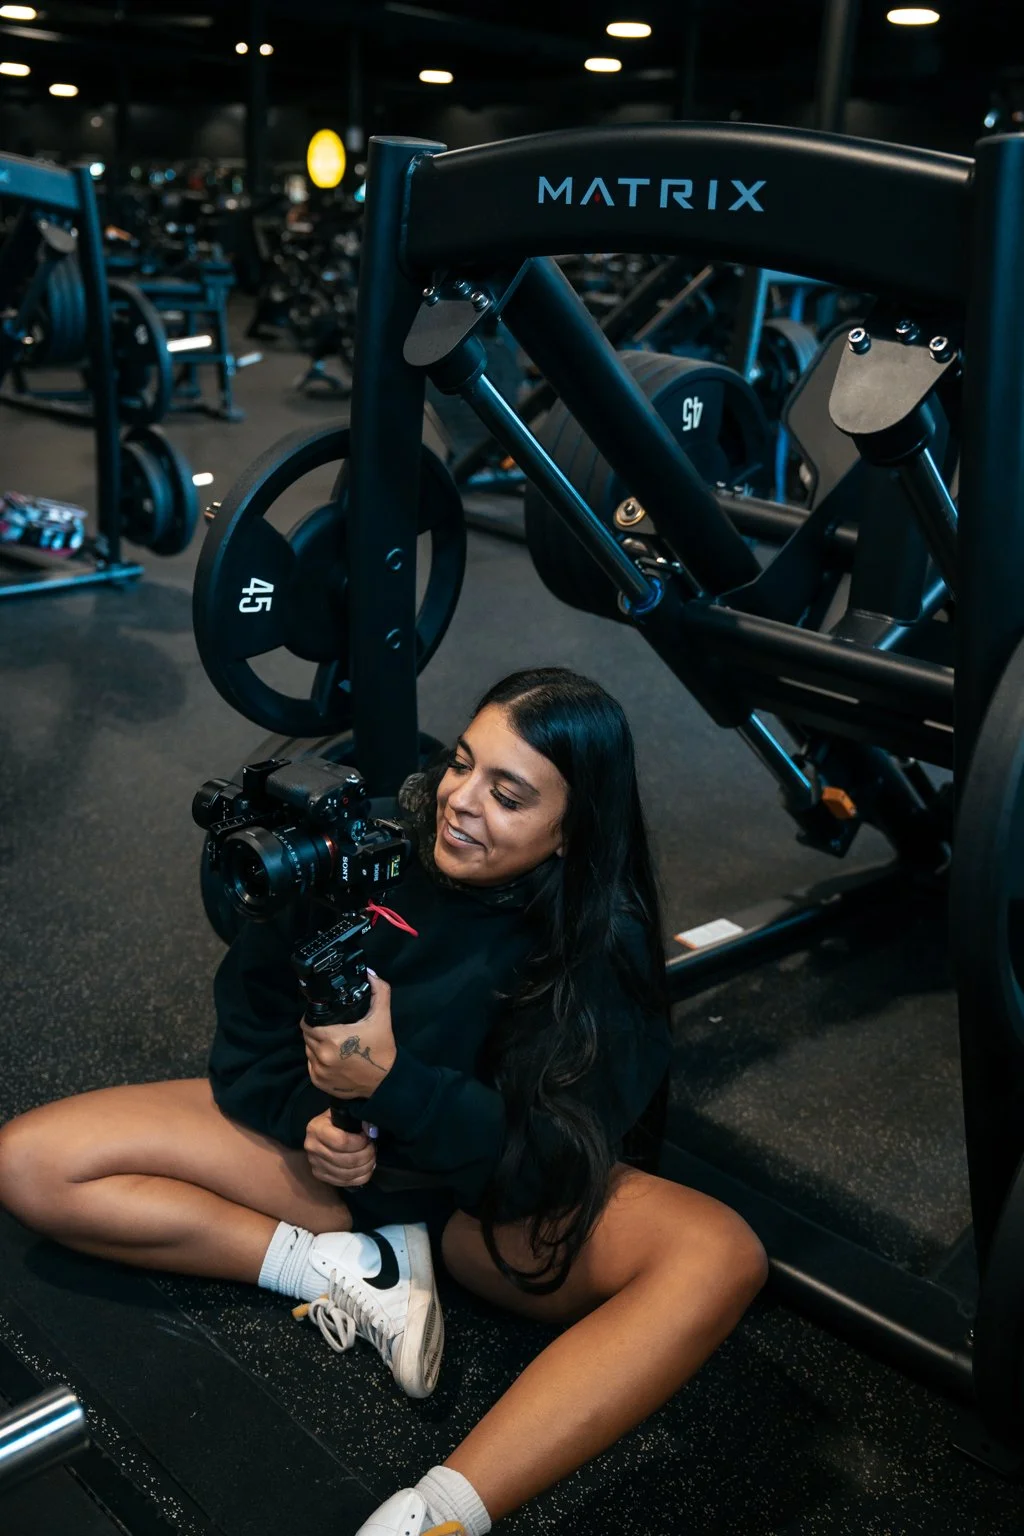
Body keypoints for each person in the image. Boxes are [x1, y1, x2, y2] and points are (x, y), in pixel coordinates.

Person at [0, 666, 767, 1536]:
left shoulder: (600, 939)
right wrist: (314, 1122)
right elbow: (248, 1031)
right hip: (341, 1178)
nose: (461, 802)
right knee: (29, 1162)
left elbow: (549, 1166)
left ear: (569, 832)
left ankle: (432, 1517)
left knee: (719, 1255)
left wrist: (392, 1087)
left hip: (482, 1213)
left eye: (508, 795)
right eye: (462, 765)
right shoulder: (370, 852)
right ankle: (353, 1272)